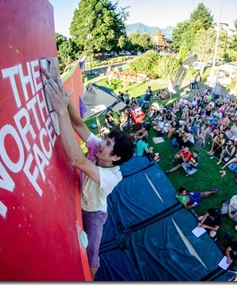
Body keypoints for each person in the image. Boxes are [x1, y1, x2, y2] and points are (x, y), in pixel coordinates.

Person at [41, 59, 135, 279]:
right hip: (81, 198)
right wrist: (57, 82)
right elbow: (79, 124)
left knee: (91, 253)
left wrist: (60, 111)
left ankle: (90, 279)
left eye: (108, 144)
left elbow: (77, 160)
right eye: (106, 139)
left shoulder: (112, 176)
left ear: (115, 157)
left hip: (94, 213)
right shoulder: (98, 148)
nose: (101, 143)